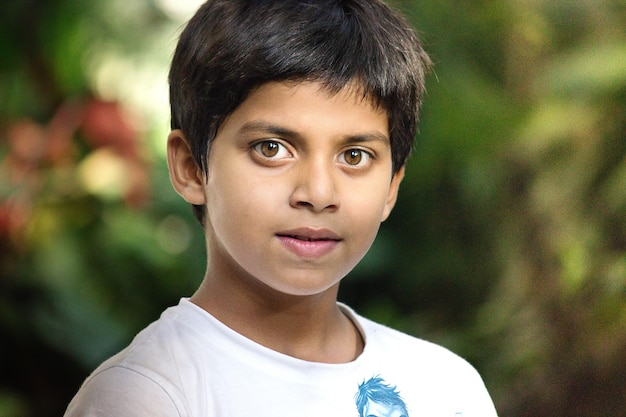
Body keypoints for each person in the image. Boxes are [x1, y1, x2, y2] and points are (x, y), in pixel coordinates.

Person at [64, 1, 498, 416]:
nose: (318, 191)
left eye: (354, 156)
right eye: (272, 149)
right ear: (192, 168)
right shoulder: (145, 397)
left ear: (391, 187)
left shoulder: (446, 389)